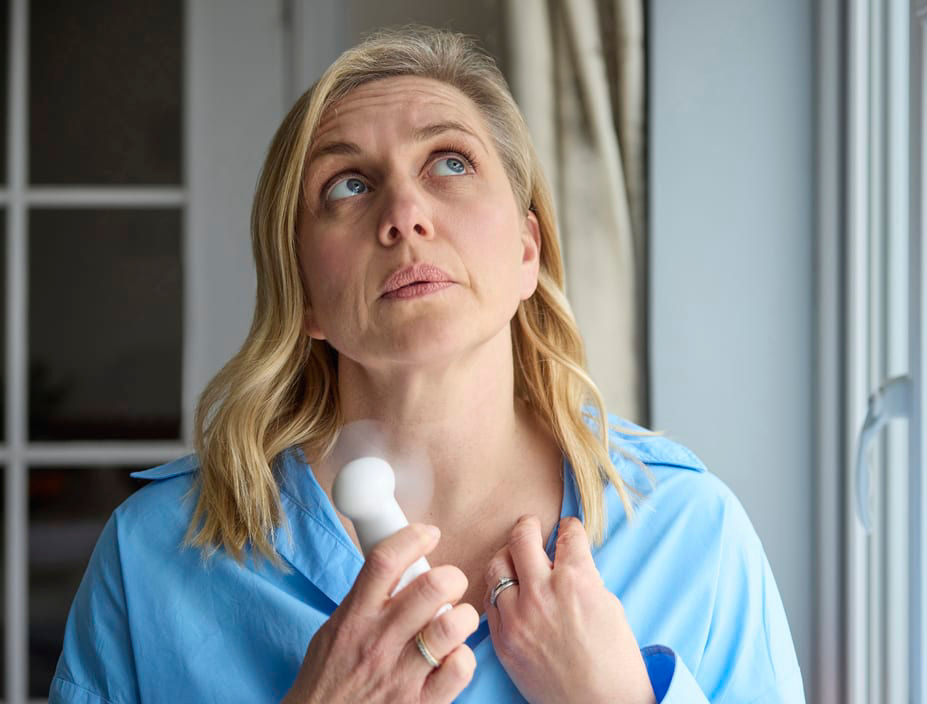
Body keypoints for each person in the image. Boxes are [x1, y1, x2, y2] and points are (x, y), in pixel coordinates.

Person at [51, 26, 804, 704]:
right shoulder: (154, 553)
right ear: (302, 293)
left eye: (449, 162)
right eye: (348, 185)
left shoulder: (690, 530)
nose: (404, 215)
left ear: (527, 251)